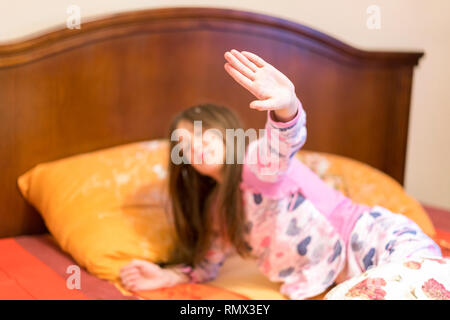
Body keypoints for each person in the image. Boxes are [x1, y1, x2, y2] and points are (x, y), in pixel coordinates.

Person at [119, 49, 442, 299]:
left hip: (377, 240)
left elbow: (281, 143)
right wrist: (167, 277)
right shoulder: (218, 209)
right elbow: (208, 265)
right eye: (186, 145)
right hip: (344, 276)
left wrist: (286, 107)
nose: (198, 148)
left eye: (207, 137)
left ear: (229, 135)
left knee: (421, 283)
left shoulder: (254, 162)